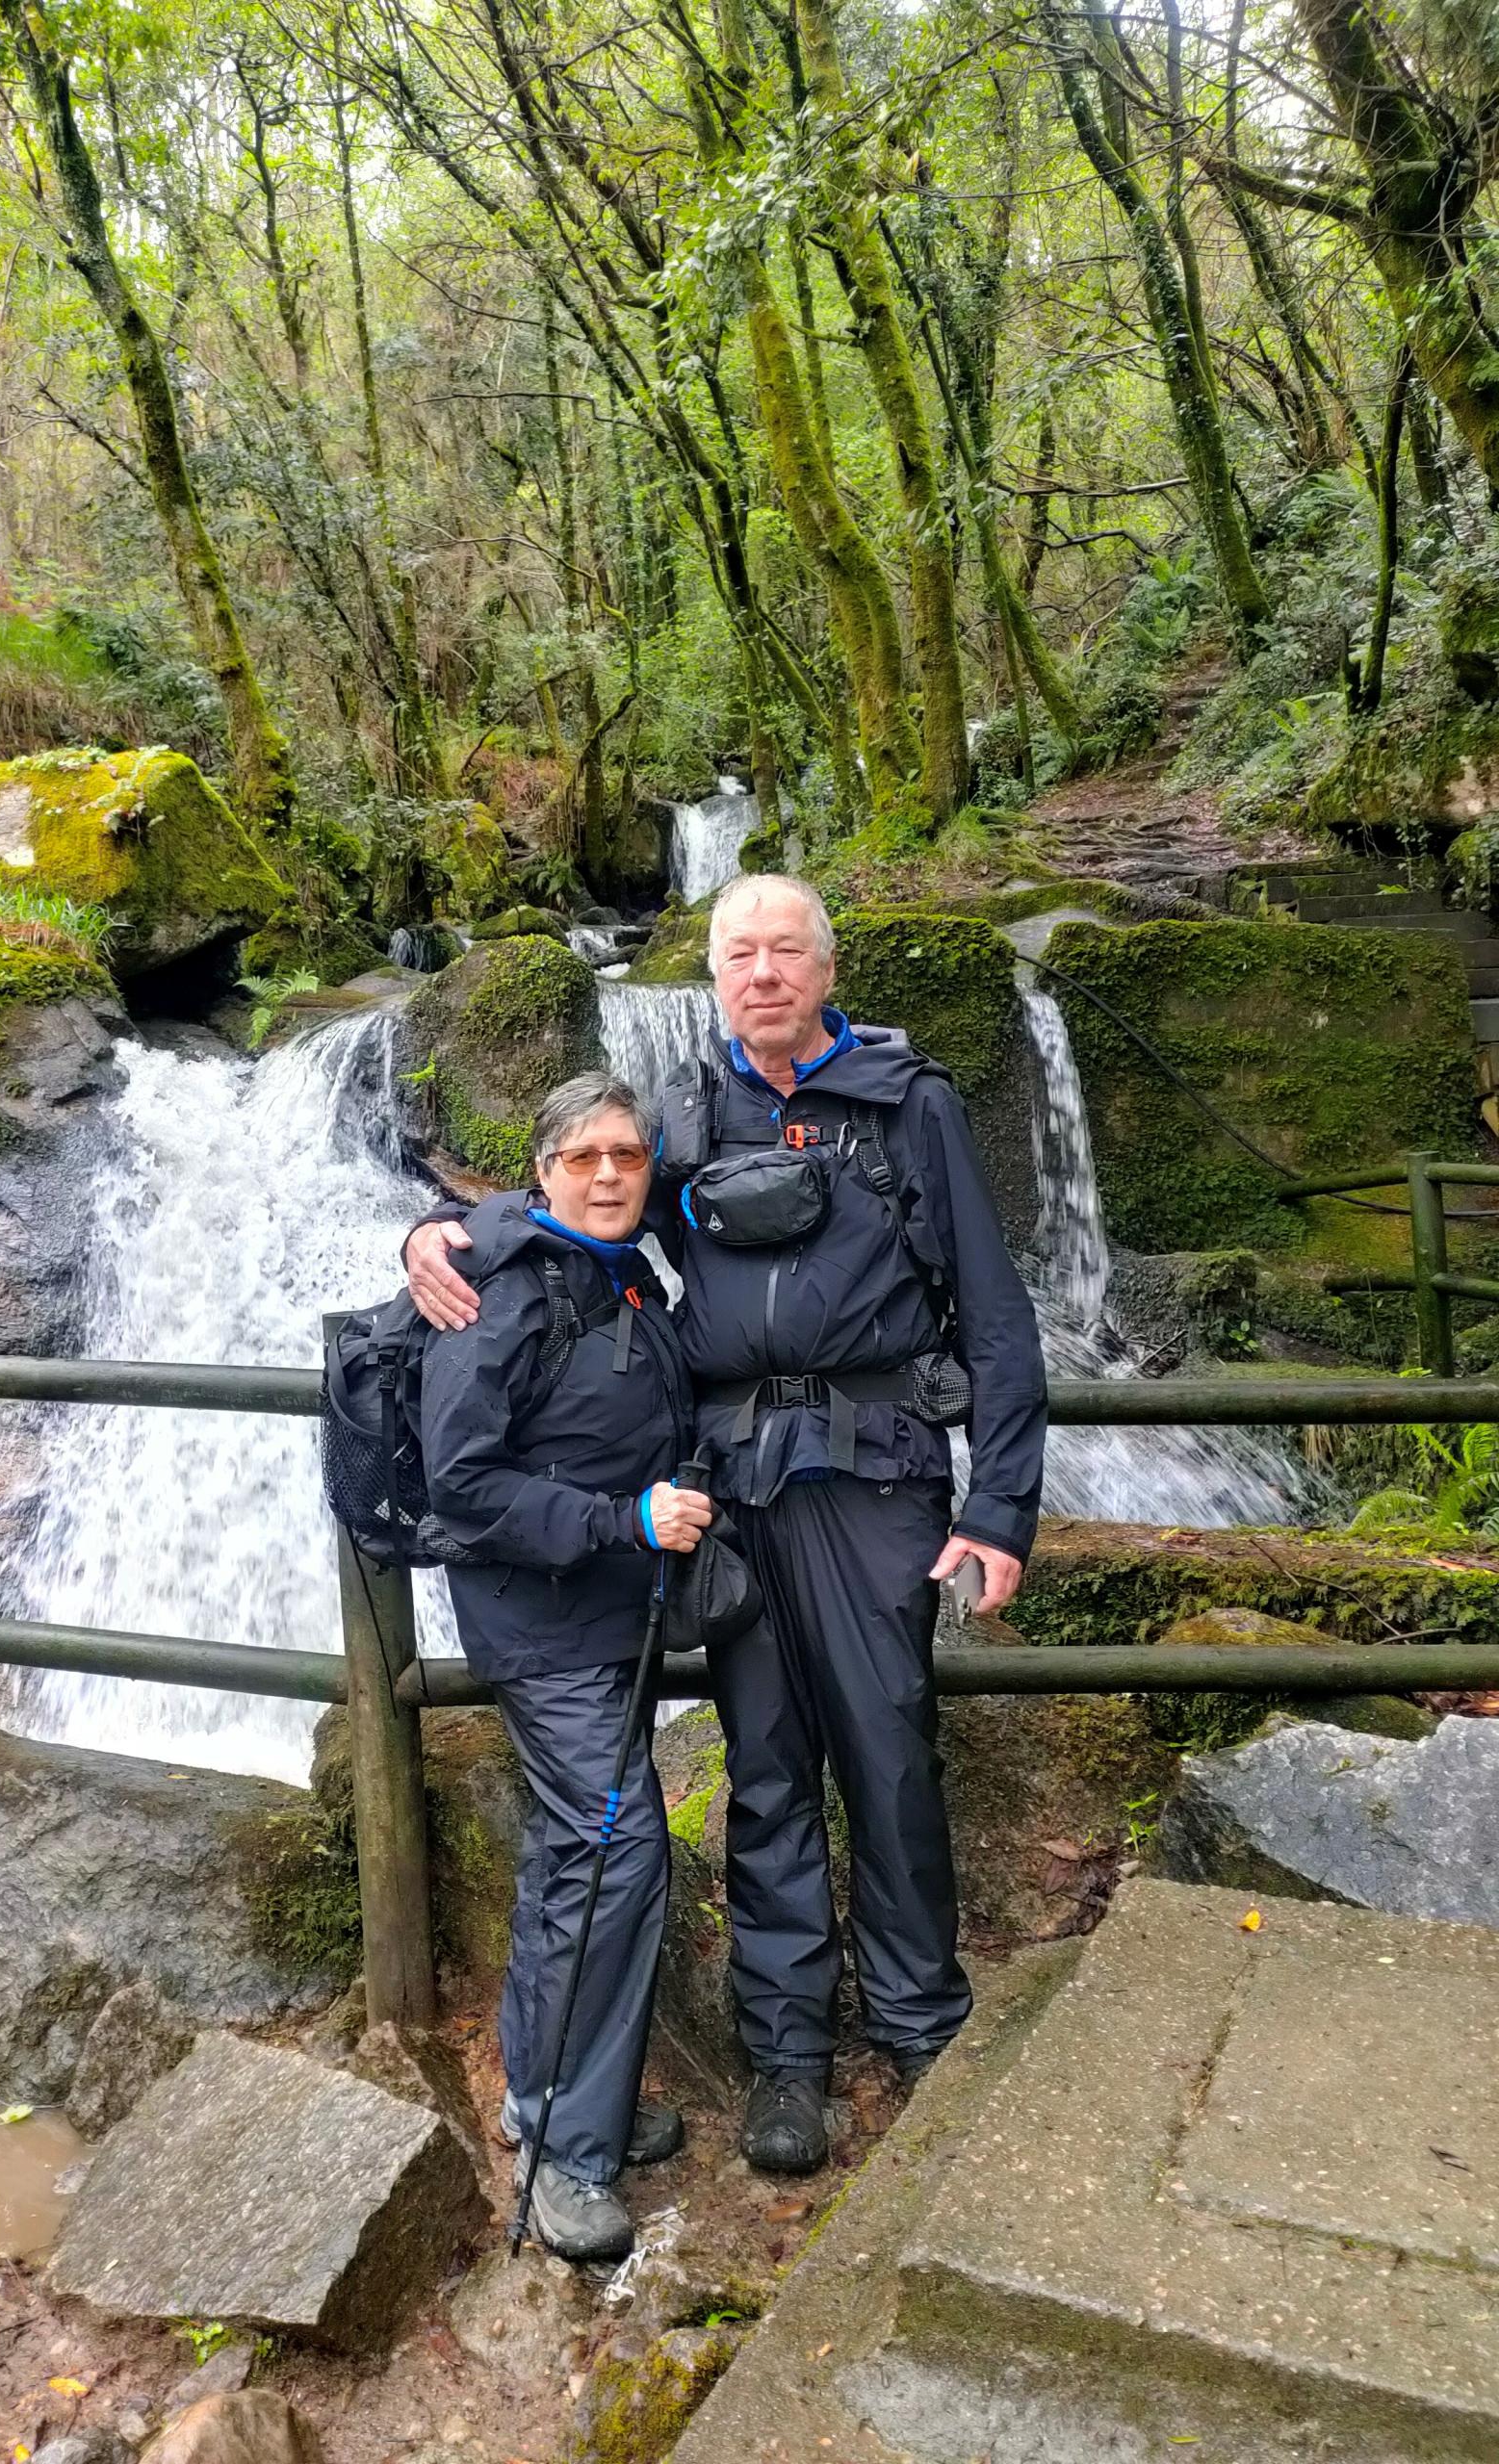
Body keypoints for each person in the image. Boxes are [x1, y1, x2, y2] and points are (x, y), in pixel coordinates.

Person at [408, 875, 1047, 2176]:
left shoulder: (909, 1104)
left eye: (784, 953)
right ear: (714, 975)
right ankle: (788, 2060)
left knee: (890, 1756)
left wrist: (1001, 1502)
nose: (762, 974)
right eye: (739, 954)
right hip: (734, 1490)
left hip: (876, 1478)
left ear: (825, 968)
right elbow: (576, 1203)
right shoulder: (689, 1109)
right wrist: (445, 1229)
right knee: (765, 1778)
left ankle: (923, 2026)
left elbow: (994, 1312)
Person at [418, 1069, 711, 2262]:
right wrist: (623, 1522)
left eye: (625, 1157)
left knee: (568, 1856)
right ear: (539, 1171)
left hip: (606, 1620)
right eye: (581, 1156)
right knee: (617, 1849)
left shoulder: (627, 1269)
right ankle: (565, 2163)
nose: (605, 1174)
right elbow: (463, 1483)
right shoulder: (505, 1292)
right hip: (546, 1627)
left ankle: (545, 2096)